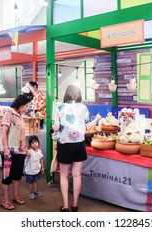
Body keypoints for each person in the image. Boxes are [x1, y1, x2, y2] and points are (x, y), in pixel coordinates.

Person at [52, 84, 101, 212]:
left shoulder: (59, 107)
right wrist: (96, 119)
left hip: (65, 144)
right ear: (79, 95)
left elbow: (56, 127)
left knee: (63, 176)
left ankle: (66, 206)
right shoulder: (83, 107)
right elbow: (87, 127)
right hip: (79, 144)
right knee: (77, 175)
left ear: (66, 94)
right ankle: (75, 205)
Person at [0, 94, 30, 210]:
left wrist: (25, 149)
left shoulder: (21, 116)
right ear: (20, 105)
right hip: (10, 151)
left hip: (20, 151)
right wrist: (6, 148)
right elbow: (4, 132)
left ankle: (15, 195)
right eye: (26, 106)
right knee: (7, 176)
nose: (26, 108)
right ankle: (5, 200)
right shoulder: (9, 114)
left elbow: (21, 135)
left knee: (17, 175)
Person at [24, 135, 45, 199]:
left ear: (38, 142)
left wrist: (42, 167)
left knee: (35, 181)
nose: (34, 144)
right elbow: (26, 154)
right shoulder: (29, 152)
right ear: (30, 144)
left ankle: (35, 191)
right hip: (30, 171)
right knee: (30, 182)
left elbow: (41, 159)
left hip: (37, 170)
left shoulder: (39, 151)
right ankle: (31, 193)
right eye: (32, 143)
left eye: (36, 142)